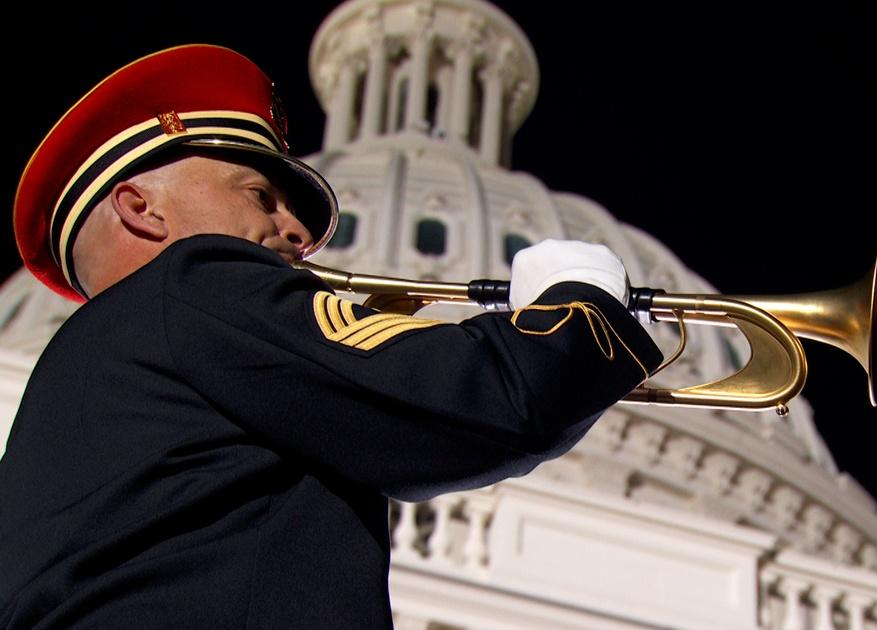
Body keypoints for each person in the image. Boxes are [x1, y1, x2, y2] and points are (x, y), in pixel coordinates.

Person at [0, 45, 662, 628]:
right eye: (261, 195)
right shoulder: (194, 283)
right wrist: (583, 307)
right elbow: (491, 401)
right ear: (143, 208)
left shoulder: (62, 400)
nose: (300, 233)